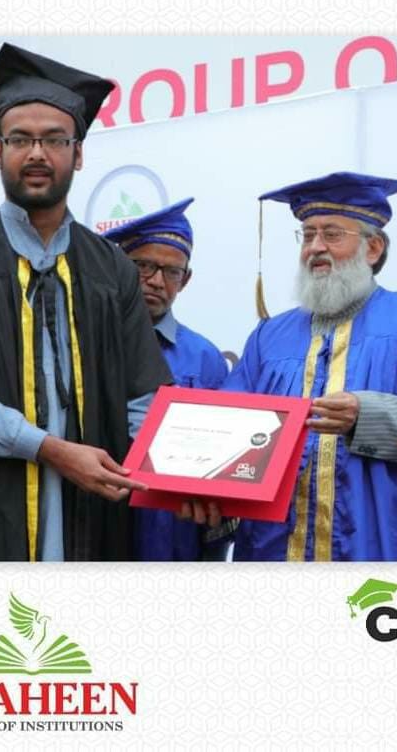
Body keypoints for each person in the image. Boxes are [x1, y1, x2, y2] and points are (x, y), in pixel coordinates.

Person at [0, 43, 172, 561]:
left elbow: (144, 397)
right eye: (20, 139)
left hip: (92, 510)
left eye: (55, 139)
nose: (37, 153)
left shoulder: (111, 268)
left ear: (77, 154)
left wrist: (176, 476)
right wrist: (51, 450)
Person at [223, 171, 397, 561]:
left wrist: (367, 416)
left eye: (332, 234)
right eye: (307, 235)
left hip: (384, 542)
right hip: (274, 546)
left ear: (373, 248)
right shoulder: (269, 336)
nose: (315, 248)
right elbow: (229, 425)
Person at [104, 198, 234, 561]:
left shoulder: (204, 358)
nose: (157, 282)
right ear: (119, 267)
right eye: (143, 266)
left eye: (172, 272)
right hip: (94, 519)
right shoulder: (83, 342)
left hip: (172, 532)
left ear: (185, 279)